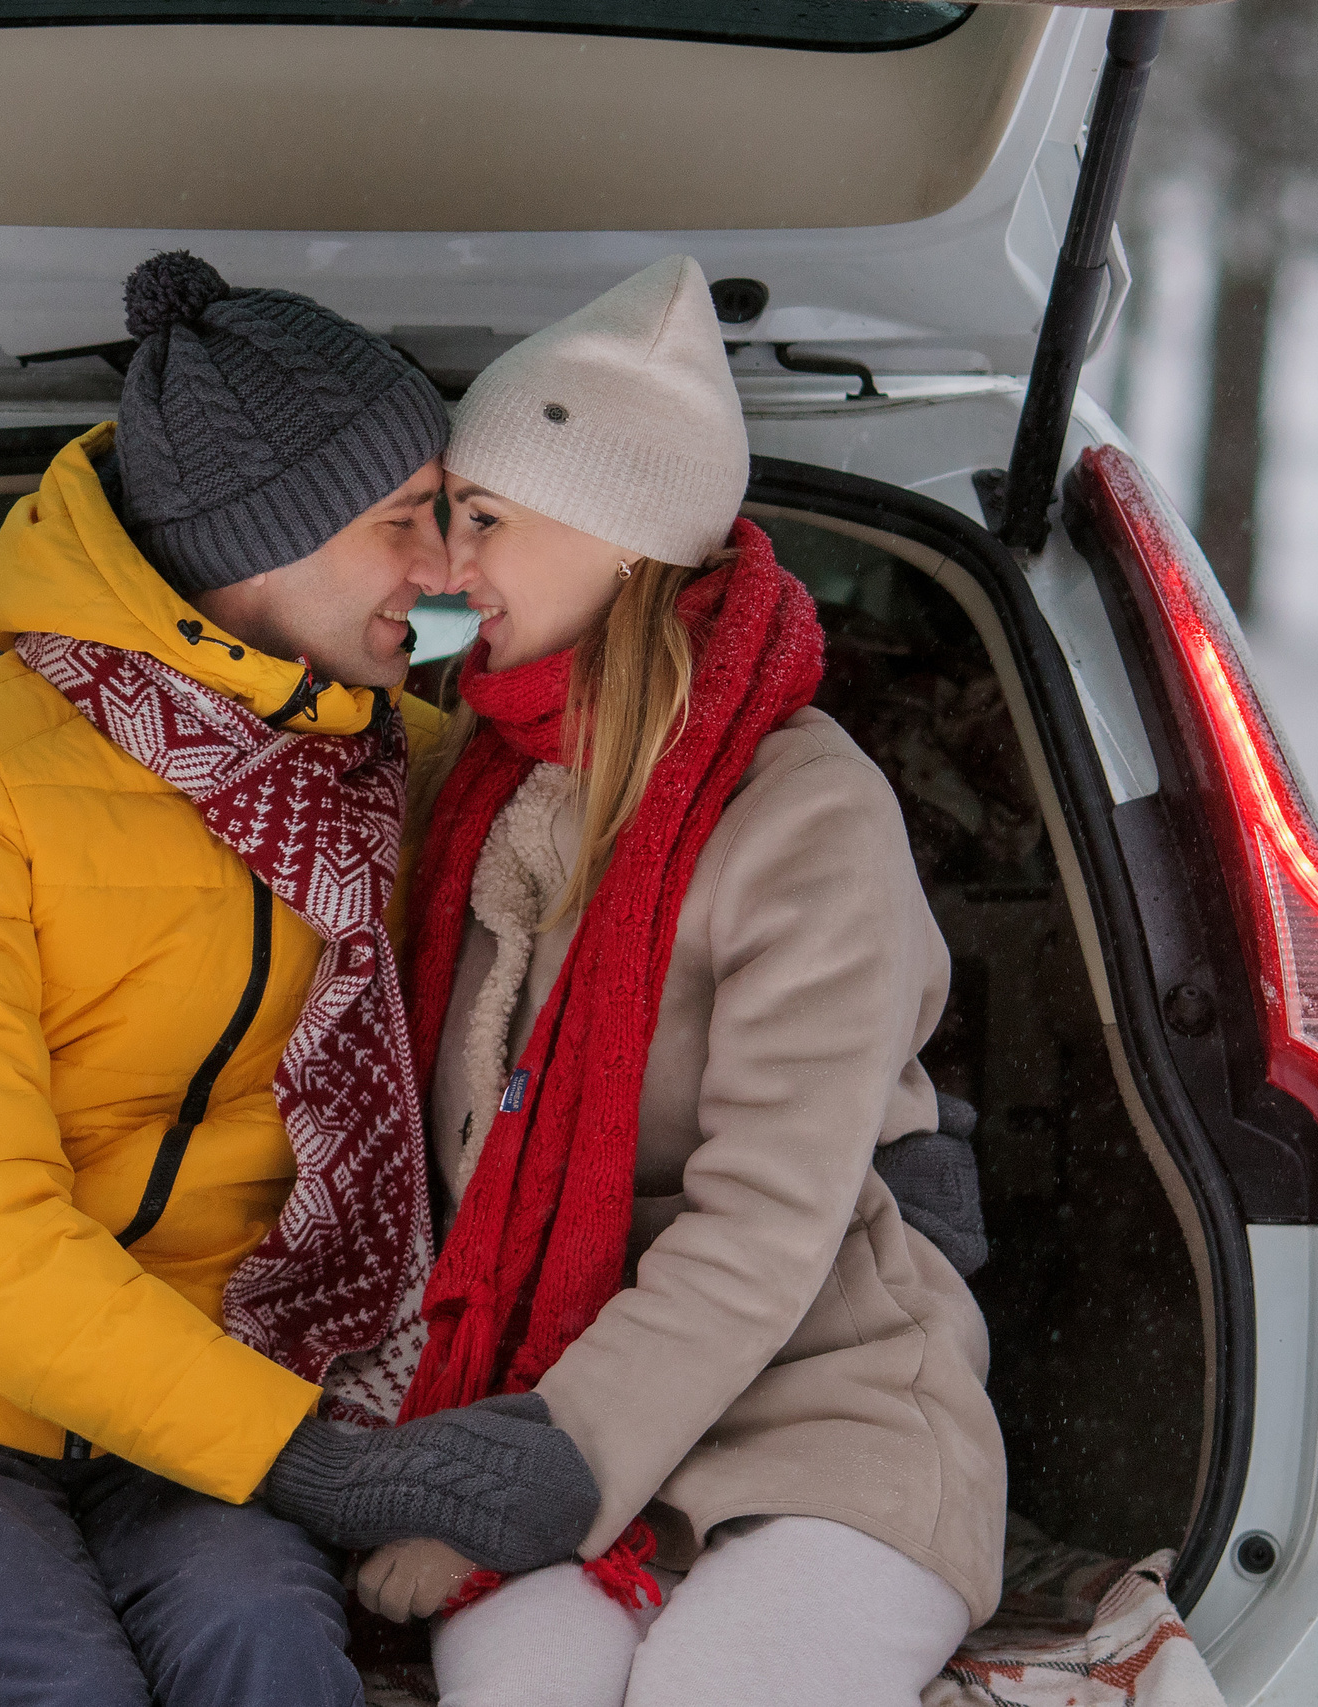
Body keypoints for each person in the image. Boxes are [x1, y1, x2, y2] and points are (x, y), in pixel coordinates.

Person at [0, 252, 600, 1707]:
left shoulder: (421, 778)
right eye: (404, 522)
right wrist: (322, 1463)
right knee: (48, 1687)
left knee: (263, 1644)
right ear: (269, 540)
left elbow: (653, 953)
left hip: (217, 1392)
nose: (446, 570)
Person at [352, 256, 1008, 1707]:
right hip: (540, 1388)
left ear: (623, 539)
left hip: (819, 1406)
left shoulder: (805, 815)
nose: (448, 566)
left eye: (485, 520)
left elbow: (767, 1230)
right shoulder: (474, 771)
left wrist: (540, 1467)